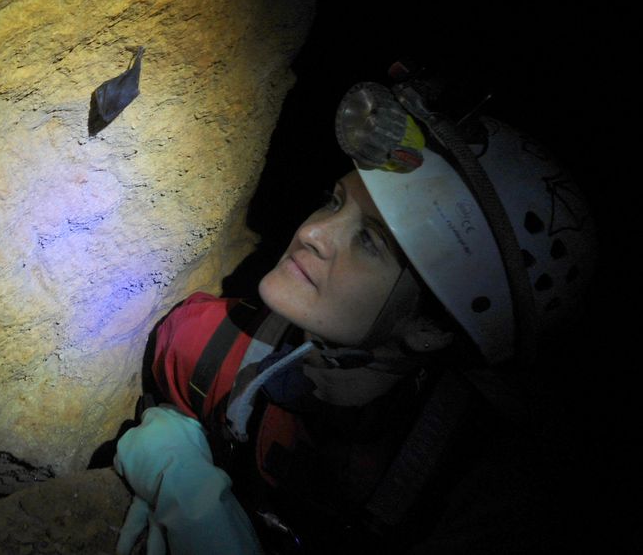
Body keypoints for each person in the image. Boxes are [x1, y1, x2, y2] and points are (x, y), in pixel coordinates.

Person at [112, 65, 598, 554]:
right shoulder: (204, 346)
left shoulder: (477, 503)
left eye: (370, 240)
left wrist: (199, 513)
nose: (311, 232)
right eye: (333, 201)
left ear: (430, 328)